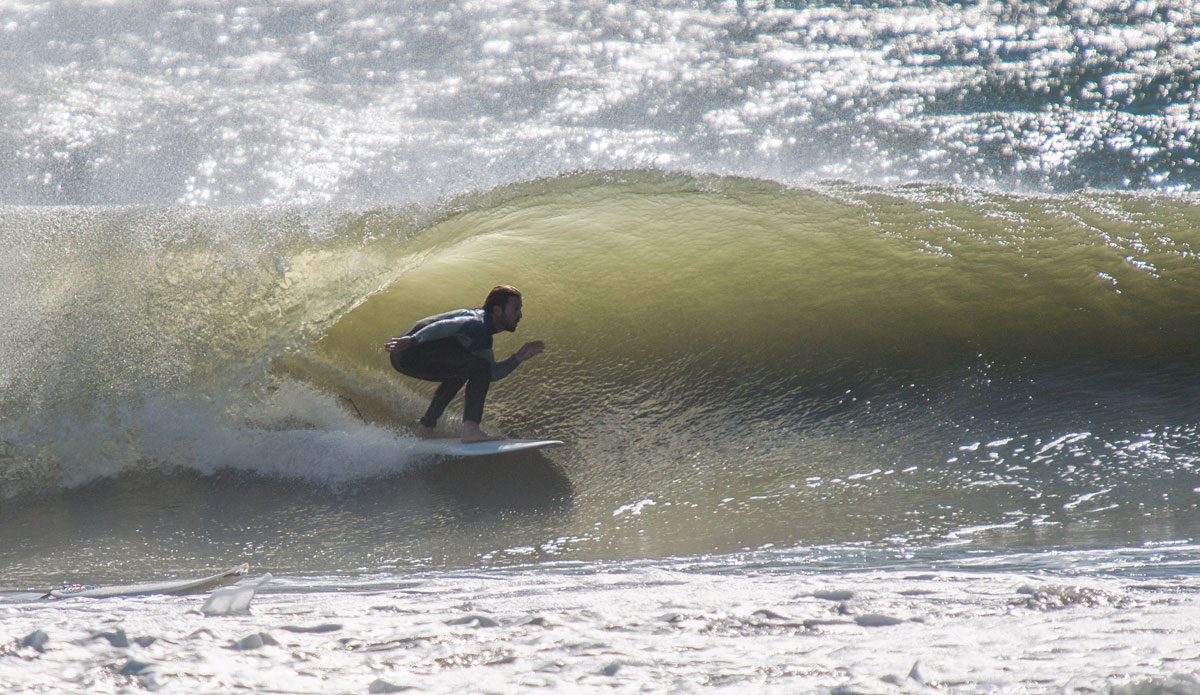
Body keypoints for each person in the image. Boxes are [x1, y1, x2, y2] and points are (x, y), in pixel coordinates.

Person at [383, 285, 545, 442]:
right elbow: (444, 326)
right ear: (497, 310)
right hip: (410, 349)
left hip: (407, 354)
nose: (520, 315)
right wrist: (413, 340)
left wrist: (517, 358)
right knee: (475, 366)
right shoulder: (477, 322)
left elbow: (490, 373)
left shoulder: (483, 334)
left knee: (464, 369)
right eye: (515, 309)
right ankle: (471, 429)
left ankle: (425, 428)